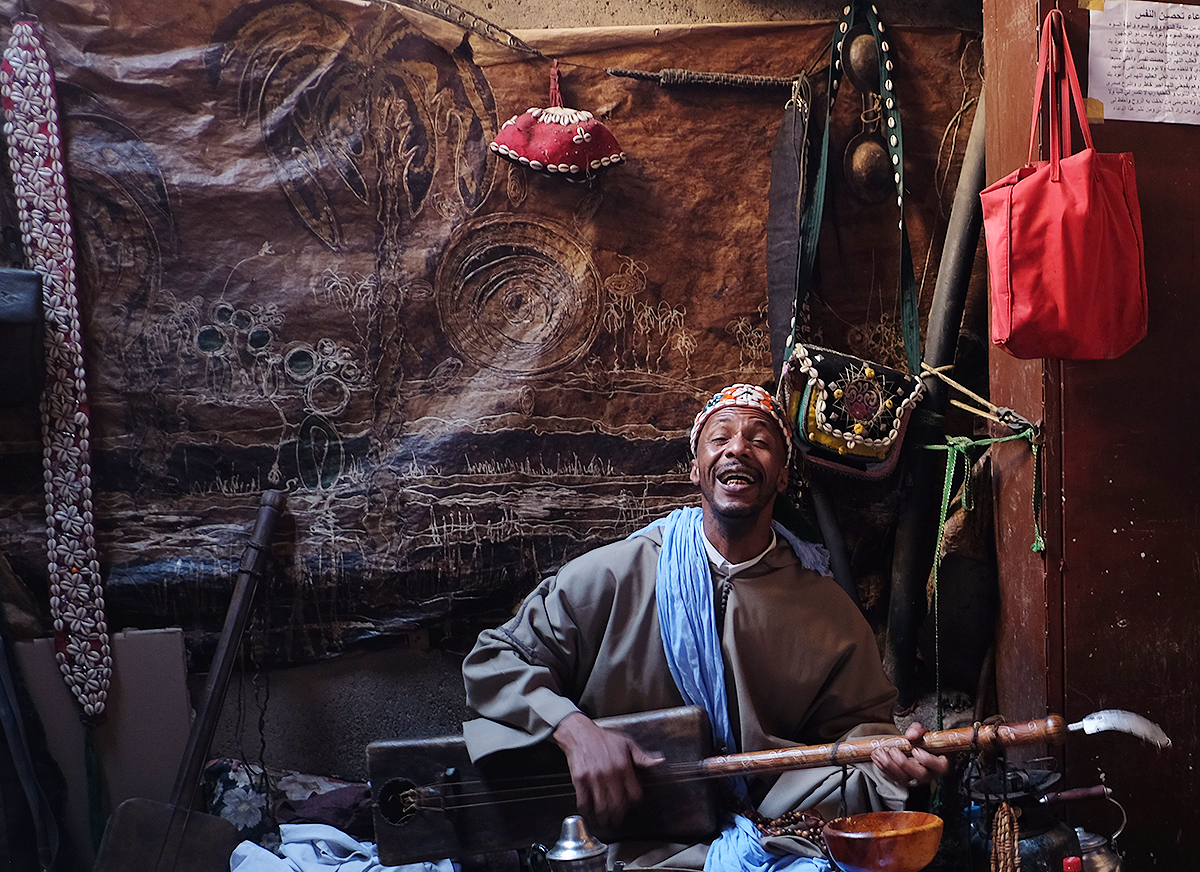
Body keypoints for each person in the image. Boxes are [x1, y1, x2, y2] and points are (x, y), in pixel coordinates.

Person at [461, 383, 948, 869]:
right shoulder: (612, 576)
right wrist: (573, 730)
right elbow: (495, 660)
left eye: (760, 440)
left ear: (781, 478)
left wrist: (889, 762)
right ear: (696, 469)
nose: (739, 447)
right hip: (637, 844)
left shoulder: (826, 610)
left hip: (779, 835)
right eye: (721, 438)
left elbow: (860, 733)